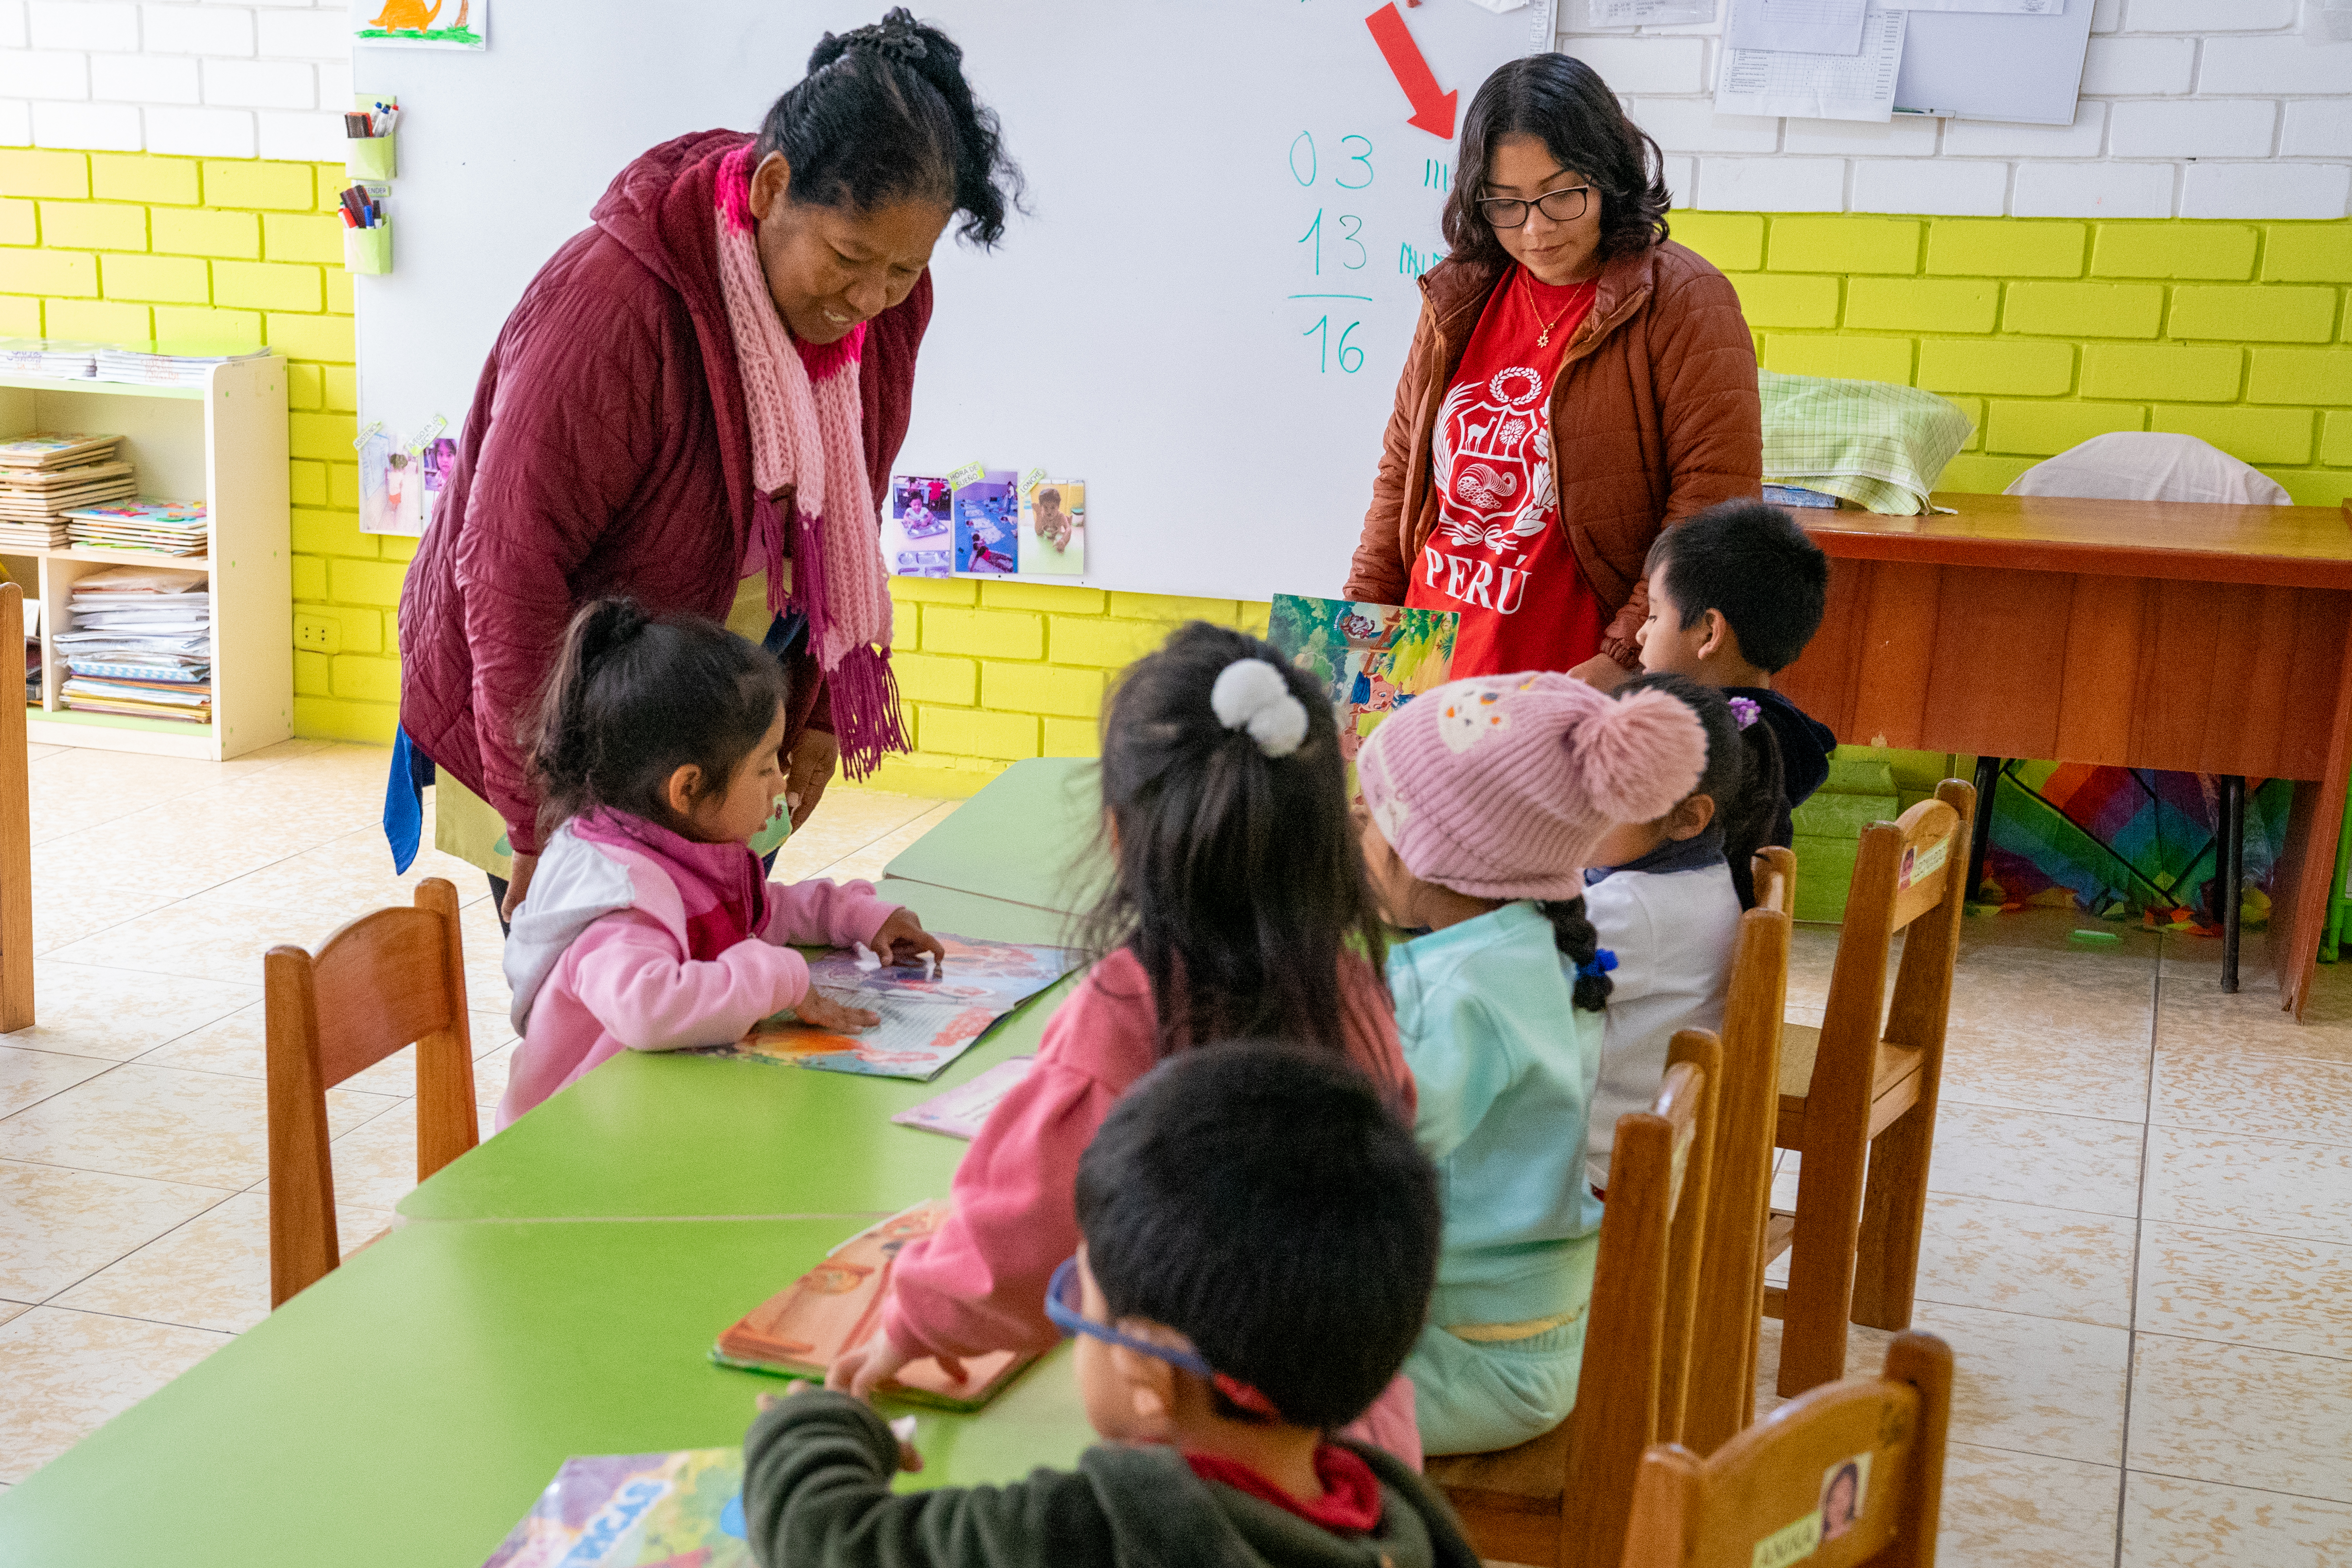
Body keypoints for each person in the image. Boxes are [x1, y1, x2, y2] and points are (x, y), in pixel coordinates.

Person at [391, 9, 1023, 927]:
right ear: (771, 187)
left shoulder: (883, 304)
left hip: (702, 722)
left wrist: (810, 717)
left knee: (719, 981)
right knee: (608, 1010)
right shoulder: (616, 305)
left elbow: (847, 495)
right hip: (551, 724)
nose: (870, 300)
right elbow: (505, 566)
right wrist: (540, 822)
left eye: (902, 269)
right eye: (849, 260)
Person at [826, 622, 1423, 1463]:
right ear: (1330, 832)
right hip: (1357, 1437)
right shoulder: (1355, 993)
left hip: (1195, 1450)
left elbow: (1024, 1226)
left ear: (1117, 834)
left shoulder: (1128, 1009)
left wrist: (911, 1326)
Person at [741, 1045, 1477, 1568]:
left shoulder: (1097, 1530)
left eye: (1075, 1299)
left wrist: (818, 1429)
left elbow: (823, 1537)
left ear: (1145, 1372)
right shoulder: (1402, 1516)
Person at [1353, 669, 1707, 1455]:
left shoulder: (1463, 990)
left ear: (1432, 854)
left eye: (1370, 815)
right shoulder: (1522, 941)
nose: (1352, 827)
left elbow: (1361, 1155)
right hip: (1509, 1332)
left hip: (1469, 1359)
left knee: (1193, 1402)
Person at [1345, 53, 1760, 687]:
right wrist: (1355, 635)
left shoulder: (1684, 298)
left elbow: (1710, 509)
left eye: (1560, 194)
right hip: (1425, 671)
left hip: (1574, 677)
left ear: (1608, 175)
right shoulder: (1458, 299)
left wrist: (1621, 656)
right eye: (1506, 204)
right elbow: (1400, 477)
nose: (1535, 229)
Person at [495, 599, 946, 1128]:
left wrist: (856, 916)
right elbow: (648, 1009)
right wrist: (782, 976)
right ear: (686, 788)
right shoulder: (616, 902)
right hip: (569, 1156)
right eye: (764, 767)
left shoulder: (672, 845)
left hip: (649, 1123)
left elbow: (753, 912)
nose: (781, 782)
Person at [1581, 675, 1758, 1188]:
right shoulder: (1699, 873)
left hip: (1598, 1173)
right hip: (1649, 1147)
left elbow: (1498, 976)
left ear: (1686, 819)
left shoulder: (1632, 910)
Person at [1634, 500, 1836, 849]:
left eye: (1654, 616)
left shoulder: (1699, 748)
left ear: (1709, 633)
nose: (1640, 634)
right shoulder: (1783, 734)